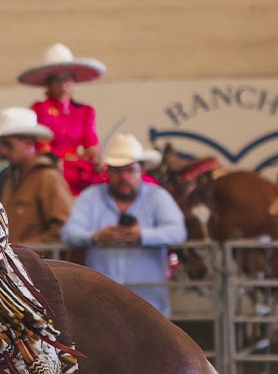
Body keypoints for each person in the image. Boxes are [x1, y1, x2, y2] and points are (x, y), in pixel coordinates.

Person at [60, 134, 187, 316]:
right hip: (102, 304)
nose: (124, 177)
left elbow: (178, 232)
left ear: (141, 171)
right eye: (117, 170)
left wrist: (142, 236)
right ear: (108, 172)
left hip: (149, 303)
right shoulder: (91, 197)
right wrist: (96, 236)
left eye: (130, 170)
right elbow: (69, 233)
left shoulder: (157, 196)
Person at [19, 43, 106, 194]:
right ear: (48, 84)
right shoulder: (39, 109)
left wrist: (96, 158)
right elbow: (41, 145)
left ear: (73, 81)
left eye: (66, 79)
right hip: (51, 165)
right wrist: (53, 161)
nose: (62, 85)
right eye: (56, 80)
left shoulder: (85, 111)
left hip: (79, 166)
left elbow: (90, 143)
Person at [0, 109, 72, 244]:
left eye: (8, 145)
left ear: (28, 144)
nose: (4, 151)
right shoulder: (12, 179)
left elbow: (62, 228)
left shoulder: (48, 177)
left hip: (37, 262)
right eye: (2, 145)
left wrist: (26, 250)